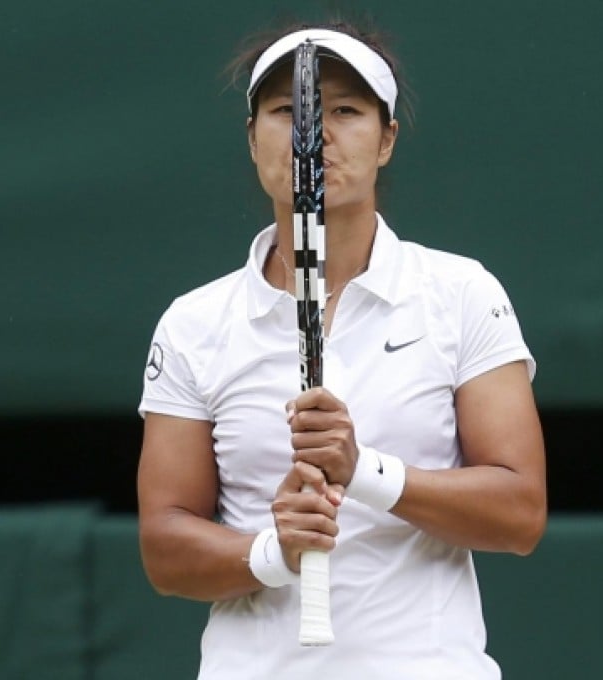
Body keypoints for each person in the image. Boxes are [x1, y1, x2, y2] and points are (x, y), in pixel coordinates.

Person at [137, 20, 546, 680]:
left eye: (347, 111)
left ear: (387, 139)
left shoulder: (463, 293)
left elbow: (520, 513)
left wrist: (365, 473)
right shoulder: (193, 324)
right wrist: (273, 552)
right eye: (286, 110)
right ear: (252, 139)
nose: (314, 130)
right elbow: (164, 550)